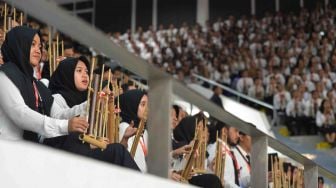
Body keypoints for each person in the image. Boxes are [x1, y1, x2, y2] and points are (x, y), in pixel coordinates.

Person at [46, 56, 140, 170]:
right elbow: (60, 117)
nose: (85, 75)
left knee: (118, 150)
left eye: (86, 71)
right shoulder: (56, 98)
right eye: (79, 71)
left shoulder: (91, 99)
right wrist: (93, 102)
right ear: (67, 73)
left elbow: (104, 140)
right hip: (66, 158)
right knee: (118, 152)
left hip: (88, 156)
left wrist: (123, 138)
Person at [0, 26, 83, 141]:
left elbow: (58, 115)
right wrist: (65, 126)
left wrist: (89, 105)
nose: (38, 50)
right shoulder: (4, 75)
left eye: (40, 46)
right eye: (32, 44)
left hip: (28, 150)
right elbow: (20, 114)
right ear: (19, 45)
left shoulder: (36, 84)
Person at [118, 89, 148, 172]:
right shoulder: (124, 127)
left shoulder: (144, 131)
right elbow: (126, 158)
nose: (147, 109)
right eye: (143, 104)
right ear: (132, 104)